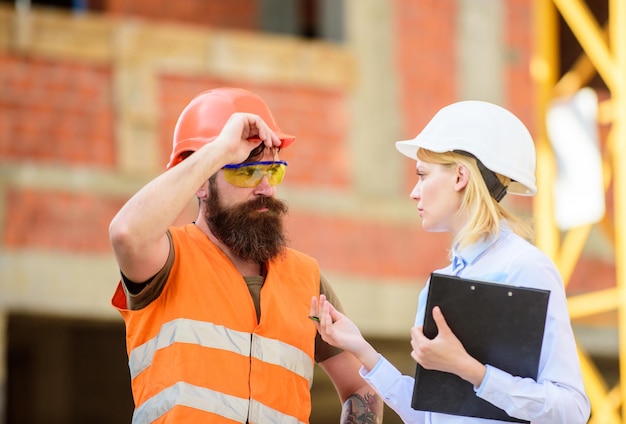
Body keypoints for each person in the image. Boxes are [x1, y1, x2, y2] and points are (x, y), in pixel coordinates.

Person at [109, 87, 383, 423]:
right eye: (246, 171)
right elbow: (126, 233)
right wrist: (220, 149)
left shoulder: (306, 278)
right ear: (200, 181)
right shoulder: (166, 260)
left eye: (274, 170)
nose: (265, 187)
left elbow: (363, 390)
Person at [310, 100, 591, 423]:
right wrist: (360, 348)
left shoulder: (525, 268)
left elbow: (571, 411)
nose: (415, 193)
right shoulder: (438, 283)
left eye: (422, 175)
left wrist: (470, 370)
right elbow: (429, 417)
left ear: (460, 176)